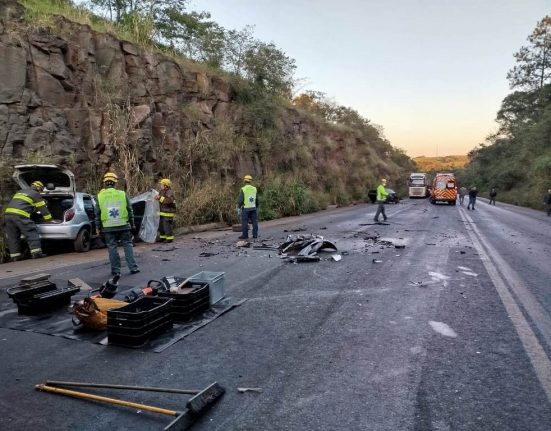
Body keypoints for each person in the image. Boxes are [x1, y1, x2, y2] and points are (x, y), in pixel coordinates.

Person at [95, 172, 140, 276]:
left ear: (104, 183)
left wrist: (97, 227)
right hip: (123, 225)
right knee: (128, 245)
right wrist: (132, 224)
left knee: (112, 248)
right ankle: (133, 268)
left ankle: (116, 271)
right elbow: (130, 210)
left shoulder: (100, 196)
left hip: (108, 228)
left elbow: (97, 214)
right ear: (115, 183)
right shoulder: (122, 194)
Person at [4, 180, 52, 261]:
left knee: (13, 236)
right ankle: (36, 253)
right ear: (38, 188)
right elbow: (43, 209)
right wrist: (49, 219)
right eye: (41, 190)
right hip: (20, 215)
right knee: (31, 232)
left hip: (8, 215)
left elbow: (22, 204)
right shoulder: (35, 194)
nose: (40, 192)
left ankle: (15, 256)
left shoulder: (20, 191)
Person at [154, 178, 176, 243]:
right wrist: (157, 197)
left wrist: (160, 198)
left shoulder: (169, 192)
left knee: (167, 226)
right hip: (163, 212)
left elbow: (169, 201)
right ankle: (162, 237)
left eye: (162, 185)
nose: (161, 186)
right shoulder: (161, 191)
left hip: (168, 212)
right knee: (161, 226)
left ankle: (169, 238)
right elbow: (160, 199)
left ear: (166, 186)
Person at [237, 174, 258, 239]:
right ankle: (255, 235)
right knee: (254, 222)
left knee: (245, 222)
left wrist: (238, 206)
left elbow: (240, 200)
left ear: (244, 181)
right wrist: (256, 206)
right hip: (253, 208)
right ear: (250, 181)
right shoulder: (254, 189)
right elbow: (257, 199)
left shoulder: (243, 189)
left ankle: (245, 235)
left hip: (246, 208)